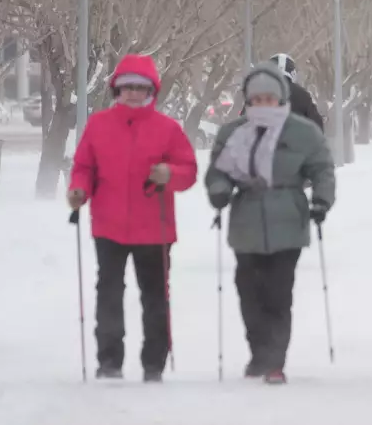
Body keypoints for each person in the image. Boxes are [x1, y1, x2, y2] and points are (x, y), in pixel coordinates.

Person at [67, 54, 198, 383]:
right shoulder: (98, 125)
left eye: (141, 88)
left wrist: (169, 173)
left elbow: (189, 171)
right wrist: (79, 190)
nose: (134, 93)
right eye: (127, 88)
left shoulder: (168, 129)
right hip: (108, 225)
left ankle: (154, 362)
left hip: (155, 228)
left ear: (152, 90)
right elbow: (84, 167)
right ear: (116, 90)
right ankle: (109, 360)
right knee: (108, 292)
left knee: (155, 296)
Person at [204, 62, 335, 385]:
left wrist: (321, 200)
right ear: (248, 101)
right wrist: (219, 191)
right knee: (248, 290)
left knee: (278, 292)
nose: (263, 105)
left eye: (270, 99)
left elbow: (322, 169)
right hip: (246, 221)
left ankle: (275, 360)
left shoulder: (302, 133)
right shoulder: (233, 133)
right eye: (257, 99)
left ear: (281, 99)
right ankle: (258, 352)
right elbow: (218, 172)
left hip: (288, 219)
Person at [235, 53, 325, 131]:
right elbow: (317, 126)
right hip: (295, 147)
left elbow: (242, 122)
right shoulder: (302, 95)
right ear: (293, 73)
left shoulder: (258, 92)